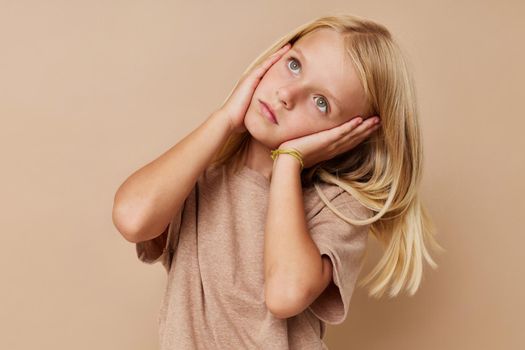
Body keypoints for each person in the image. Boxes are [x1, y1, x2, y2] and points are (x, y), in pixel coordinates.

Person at [112, 13, 444, 349]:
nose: (288, 94)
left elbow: (285, 293)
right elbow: (132, 218)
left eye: (321, 102)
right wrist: (226, 118)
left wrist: (288, 163)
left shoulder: (337, 205)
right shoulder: (198, 179)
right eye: (295, 65)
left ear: (347, 136)